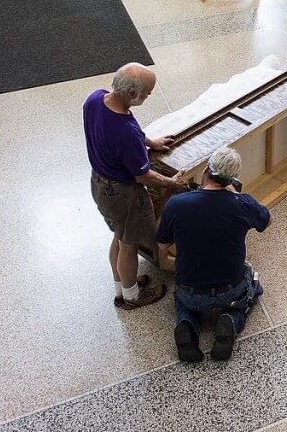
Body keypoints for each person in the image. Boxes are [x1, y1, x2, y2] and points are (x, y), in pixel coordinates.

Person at [83, 63, 187, 310]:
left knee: (118, 237)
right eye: (148, 92)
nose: (150, 95)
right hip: (122, 194)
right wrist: (172, 182)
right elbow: (142, 176)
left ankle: (122, 284)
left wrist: (150, 142)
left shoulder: (95, 99)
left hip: (99, 183)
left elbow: (130, 132)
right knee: (128, 246)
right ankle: (131, 297)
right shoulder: (125, 132)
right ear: (132, 93)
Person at [155, 147, 269, 362]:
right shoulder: (244, 204)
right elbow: (267, 221)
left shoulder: (177, 204)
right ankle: (229, 320)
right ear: (232, 180)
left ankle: (187, 325)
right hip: (230, 290)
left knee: (181, 300)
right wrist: (238, 197)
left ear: (206, 169)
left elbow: (161, 246)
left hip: (190, 291)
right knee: (252, 282)